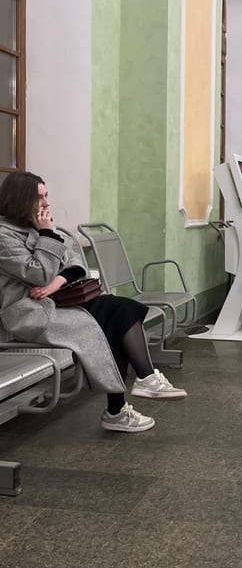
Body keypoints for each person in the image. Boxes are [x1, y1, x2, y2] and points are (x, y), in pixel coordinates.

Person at [0, 172, 186, 434]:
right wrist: (46, 235)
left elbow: (76, 262)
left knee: (120, 314)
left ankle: (132, 394)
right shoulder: (5, 235)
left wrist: (57, 282)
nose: (45, 203)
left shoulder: (37, 226)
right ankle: (130, 396)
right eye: (39, 196)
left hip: (59, 300)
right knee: (117, 315)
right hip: (28, 313)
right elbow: (38, 273)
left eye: (46, 195)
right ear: (20, 199)